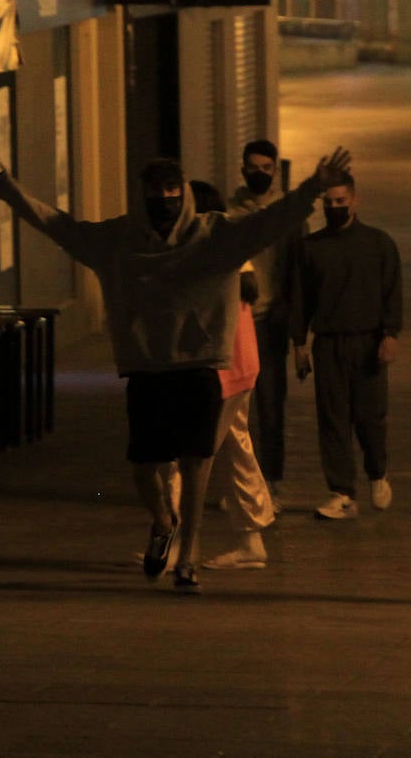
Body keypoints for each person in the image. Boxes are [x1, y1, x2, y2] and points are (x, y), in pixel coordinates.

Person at [0, 143, 349, 594]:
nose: (166, 199)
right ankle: (163, 521)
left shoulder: (215, 236)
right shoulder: (118, 241)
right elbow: (56, 224)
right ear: (144, 194)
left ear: (183, 193)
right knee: (144, 466)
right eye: (157, 191)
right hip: (147, 367)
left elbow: (271, 222)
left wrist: (313, 186)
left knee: (197, 466)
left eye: (173, 190)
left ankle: (187, 556)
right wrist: (0, 180)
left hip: (198, 366)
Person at [290, 170, 402, 520]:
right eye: (329, 202)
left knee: (371, 417)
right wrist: (299, 344)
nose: (335, 207)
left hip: (368, 341)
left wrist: (391, 334)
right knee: (333, 419)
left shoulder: (378, 244)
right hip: (329, 343)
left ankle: (377, 472)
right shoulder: (311, 249)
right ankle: (341, 492)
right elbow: (300, 299)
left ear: (354, 200)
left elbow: (392, 292)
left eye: (341, 201)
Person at [189, 180, 276, 570]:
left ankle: (176, 541)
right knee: (236, 448)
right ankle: (251, 539)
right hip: (241, 364)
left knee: (189, 455)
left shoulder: (208, 253)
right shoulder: (233, 250)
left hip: (222, 367)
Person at [227, 140, 292, 513]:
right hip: (239, 321)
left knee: (270, 408)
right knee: (235, 412)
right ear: (242, 169)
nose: (259, 173)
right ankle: (240, 486)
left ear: (276, 171)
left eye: (266, 167)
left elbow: (296, 267)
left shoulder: (286, 214)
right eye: (253, 166)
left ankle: (272, 483)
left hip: (271, 323)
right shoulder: (231, 212)